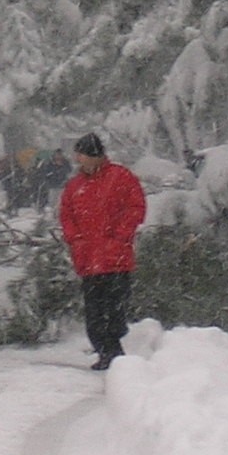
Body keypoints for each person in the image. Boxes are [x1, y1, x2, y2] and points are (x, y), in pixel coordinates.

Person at [57, 132, 147, 370]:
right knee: (95, 311)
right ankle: (106, 351)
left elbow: (136, 208)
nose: (78, 160)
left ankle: (113, 349)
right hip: (88, 259)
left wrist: (120, 236)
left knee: (115, 308)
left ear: (95, 156)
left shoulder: (121, 177)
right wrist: (75, 239)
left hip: (115, 258)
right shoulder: (75, 186)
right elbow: (66, 215)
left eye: (82, 155)